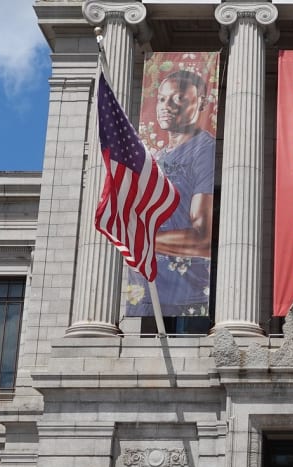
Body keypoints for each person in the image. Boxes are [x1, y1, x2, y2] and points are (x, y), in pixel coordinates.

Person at [125, 67, 216, 319]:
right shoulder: (157, 157)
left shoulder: (203, 150)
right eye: (162, 99)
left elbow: (202, 237)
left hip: (185, 296)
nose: (167, 106)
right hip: (147, 292)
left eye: (178, 98)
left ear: (201, 103)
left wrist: (140, 242)